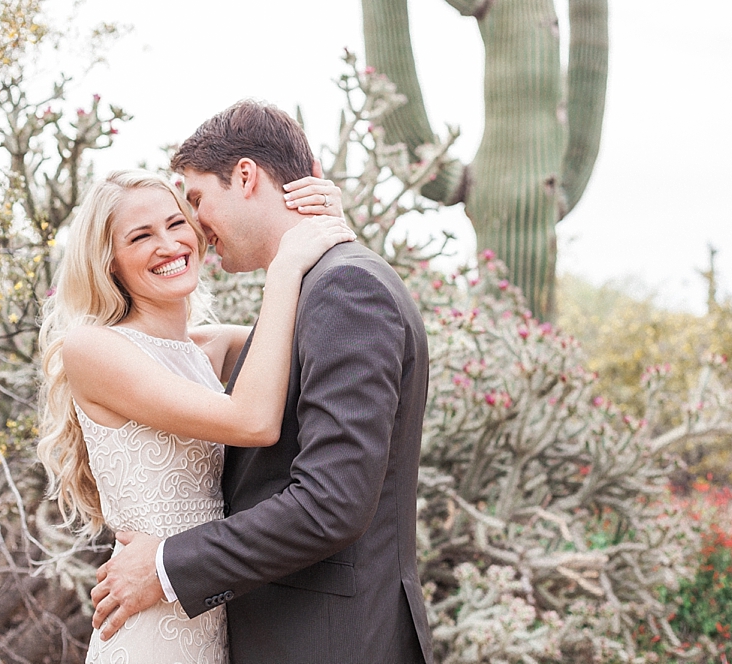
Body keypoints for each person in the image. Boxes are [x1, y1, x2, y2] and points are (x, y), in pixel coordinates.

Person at [89, 100, 435, 664]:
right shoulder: (319, 287)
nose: (195, 225)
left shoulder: (345, 288)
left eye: (195, 200)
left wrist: (167, 565)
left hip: (330, 642)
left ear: (245, 176)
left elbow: (331, 503)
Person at [38, 168, 354, 663]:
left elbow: (328, 317)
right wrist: (285, 267)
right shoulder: (92, 349)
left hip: (215, 612)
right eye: (141, 236)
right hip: (148, 624)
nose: (168, 244)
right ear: (110, 262)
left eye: (176, 224)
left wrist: (326, 223)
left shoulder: (212, 348)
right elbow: (253, 421)